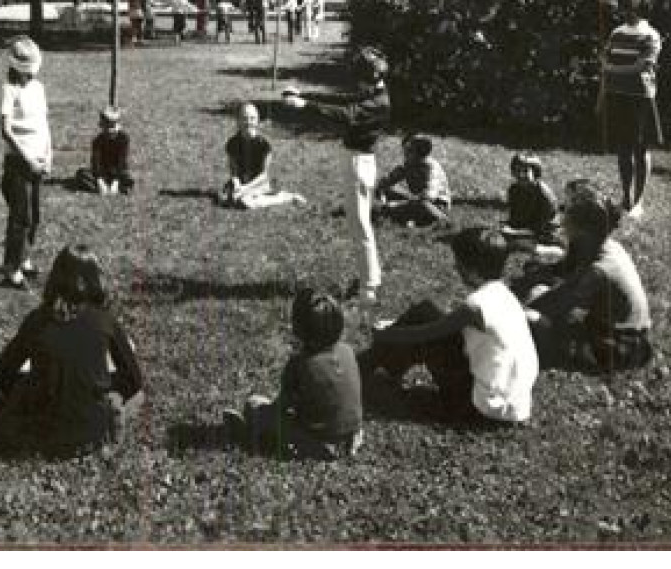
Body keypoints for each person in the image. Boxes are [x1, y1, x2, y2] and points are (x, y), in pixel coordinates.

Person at [358, 227, 538, 424]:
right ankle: (381, 368)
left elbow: (426, 334)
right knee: (426, 314)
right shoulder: (504, 295)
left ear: (470, 269)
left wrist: (384, 334)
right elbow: (449, 328)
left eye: (458, 263)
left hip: (480, 410)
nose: (455, 268)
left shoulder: (476, 306)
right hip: (515, 404)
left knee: (423, 315)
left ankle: (361, 368)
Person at [0, 245, 146, 456]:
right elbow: (134, 380)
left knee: (24, 388)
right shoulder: (105, 320)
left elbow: (2, 374)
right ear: (95, 280)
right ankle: (107, 421)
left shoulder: (37, 320)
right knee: (138, 397)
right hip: (92, 432)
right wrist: (103, 388)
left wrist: (30, 391)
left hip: (40, 432)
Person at [283, 46, 392, 302]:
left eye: (360, 78)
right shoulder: (374, 93)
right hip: (357, 160)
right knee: (359, 223)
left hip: (359, 163)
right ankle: (371, 277)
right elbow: (344, 101)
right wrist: (305, 96)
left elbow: (344, 114)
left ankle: (368, 289)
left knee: (359, 225)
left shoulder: (377, 103)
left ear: (370, 77)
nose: (357, 84)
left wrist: (304, 105)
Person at [523, 180, 653, 372]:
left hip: (616, 348)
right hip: (630, 337)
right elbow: (567, 268)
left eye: (566, 216)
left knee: (532, 315)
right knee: (538, 294)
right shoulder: (607, 246)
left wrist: (514, 309)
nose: (561, 221)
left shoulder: (599, 270)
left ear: (581, 229)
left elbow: (553, 304)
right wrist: (543, 271)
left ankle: (568, 353)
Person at [222, 285, 364, 460]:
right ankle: (345, 445)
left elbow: (282, 405)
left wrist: (265, 412)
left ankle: (246, 436)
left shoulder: (300, 363)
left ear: (299, 328)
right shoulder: (348, 351)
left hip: (319, 441)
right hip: (354, 434)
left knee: (254, 404)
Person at [598, 0, 663, 220]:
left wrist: (611, 68)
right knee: (623, 150)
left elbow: (640, 67)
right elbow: (605, 58)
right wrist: (603, 92)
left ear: (643, 6)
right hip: (618, 96)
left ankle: (639, 201)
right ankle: (625, 197)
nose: (627, 10)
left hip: (640, 99)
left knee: (640, 148)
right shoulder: (617, 33)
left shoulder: (651, 35)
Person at [0, 36, 53, 289]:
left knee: (35, 216)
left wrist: (48, 153)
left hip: (39, 160)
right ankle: (11, 267)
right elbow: (6, 131)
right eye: (26, 71)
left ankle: (25, 258)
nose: (30, 76)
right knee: (20, 216)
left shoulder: (38, 88)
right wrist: (28, 158)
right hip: (19, 163)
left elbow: (43, 123)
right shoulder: (10, 90)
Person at [219, 102, 306, 210]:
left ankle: (286, 197)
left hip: (258, 184)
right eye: (244, 118)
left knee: (245, 202)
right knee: (222, 199)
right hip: (241, 183)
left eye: (252, 118)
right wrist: (237, 186)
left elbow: (263, 176)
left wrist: (245, 188)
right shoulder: (232, 143)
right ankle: (249, 197)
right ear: (238, 121)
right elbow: (234, 171)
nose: (248, 122)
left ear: (257, 121)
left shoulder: (264, 145)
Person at [375, 133, 452, 228]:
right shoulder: (409, 164)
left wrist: (399, 204)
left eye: (409, 150)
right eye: (405, 150)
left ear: (421, 152)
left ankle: (439, 218)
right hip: (417, 199)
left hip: (436, 205)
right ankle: (407, 217)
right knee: (390, 190)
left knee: (393, 208)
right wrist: (381, 188)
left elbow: (429, 196)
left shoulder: (430, 168)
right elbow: (387, 182)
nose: (404, 153)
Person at [73, 105, 135, 195]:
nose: (110, 130)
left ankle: (113, 187)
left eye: (112, 126)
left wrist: (116, 181)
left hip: (117, 171)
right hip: (103, 172)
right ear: (102, 126)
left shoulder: (123, 139)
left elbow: (122, 161)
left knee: (129, 178)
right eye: (107, 127)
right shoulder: (97, 141)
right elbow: (95, 162)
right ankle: (103, 188)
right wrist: (100, 180)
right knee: (81, 173)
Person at [503, 152, 560, 245]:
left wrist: (515, 232)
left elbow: (540, 226)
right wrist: (508, 227)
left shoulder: (545, 195)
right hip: (523, 229)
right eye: (517, 171)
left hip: (544, 233)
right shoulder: (514, 190)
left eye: (525, 171)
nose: (521, 175)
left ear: (535, 172)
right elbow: (514, 217)